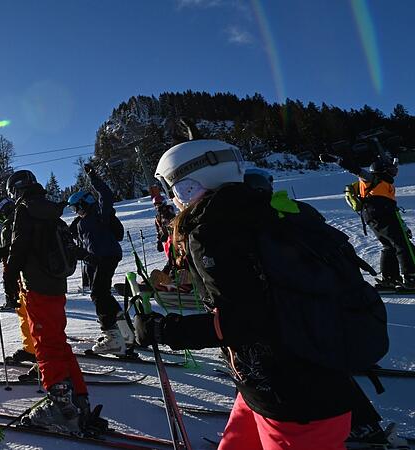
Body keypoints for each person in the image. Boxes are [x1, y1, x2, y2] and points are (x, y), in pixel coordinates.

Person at [135, 139, 381, 450]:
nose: (174, 198)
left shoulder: (214, 230)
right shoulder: (264, 209)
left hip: (293, 401)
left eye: (172, 187)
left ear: (188, 186)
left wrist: (164, 329)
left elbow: (247, 322)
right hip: (274, 383)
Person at [244, 167, 407, 449]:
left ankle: (355, 426)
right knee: (326, 366)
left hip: (300, 313)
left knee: (310, 372)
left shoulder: (257, 221)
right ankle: (364, 423)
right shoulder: (295, 209)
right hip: (336, 302)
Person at [4, 169, 97, 434]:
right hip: (57, 286)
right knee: (58, 341)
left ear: (17, 190)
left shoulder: (25, 210)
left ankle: (61, 407)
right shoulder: (50, 211)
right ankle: (79, 399)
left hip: (37, 286)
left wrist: (10, 280)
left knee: (45, 345)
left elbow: (19, 247)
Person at [321, 152, 415, 290]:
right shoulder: (372, 178)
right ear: (382, 170)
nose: (394, 172)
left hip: (374, 217)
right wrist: (335, 159)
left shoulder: (384, 184)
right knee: (402, 245)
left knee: (389, 246)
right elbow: (354, 168)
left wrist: (404, 226)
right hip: (382, 214)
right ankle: (411, 278)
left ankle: (389, 278)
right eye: (391, 169)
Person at [67, 164, 131, 355]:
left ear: (84, 203)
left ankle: (113, 337)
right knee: (102, 293)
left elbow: (106, 196)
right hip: (96, 260)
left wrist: (93, 177)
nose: (75, 211)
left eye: (76, 207)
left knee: (98, 294)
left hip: (107, 256)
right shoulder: (80, 223)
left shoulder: (99, 214)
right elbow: (82, 243)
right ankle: (122, 327)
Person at [0, 197, 37, 364]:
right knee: (24, 313)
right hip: (17, 277)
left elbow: (14, 249)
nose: (5, 218)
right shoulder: (10, 227)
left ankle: (41, 352)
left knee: (33, 315)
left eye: (4, 215)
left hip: (26, 276)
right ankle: (31, 349)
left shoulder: (20, 223)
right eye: (1, 218)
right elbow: (7, 251)